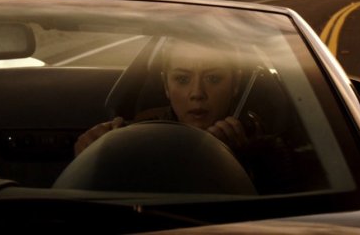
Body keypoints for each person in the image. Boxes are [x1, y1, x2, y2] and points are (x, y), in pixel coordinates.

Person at [74, 37, 251, 157]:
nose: (197, 93)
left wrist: (241, 158)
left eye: (213, 78)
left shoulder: (261, 143)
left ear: (235, 84)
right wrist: (88, 153)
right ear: (166, 85)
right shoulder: (137, 132)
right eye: (182, 79)